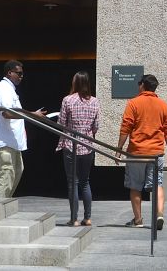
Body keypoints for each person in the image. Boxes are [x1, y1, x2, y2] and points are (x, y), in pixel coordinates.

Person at [118, 73, 167, 229]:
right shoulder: (163, 105)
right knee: (158, 185)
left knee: (135, 186)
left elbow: (126, 127)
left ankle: (138, 220)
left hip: (136, 152)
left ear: (142, 85)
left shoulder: (133, 103)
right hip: (156, 153)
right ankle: (159, 215)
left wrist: (119, 149)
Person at [0, 60, 44, 198]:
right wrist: (32, 114)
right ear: (10, 73)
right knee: (6, 174)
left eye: (22, 74)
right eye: (19, 73)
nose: (21, 76)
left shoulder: (10, 89)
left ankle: (4, 204)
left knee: (16, 171)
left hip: (13, 142)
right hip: (5, 141)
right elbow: (6, 112)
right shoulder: (4, 88)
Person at [55, 70, 100, 227]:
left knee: (72, 182)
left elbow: (61, 123)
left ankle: (73, 219)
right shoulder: (95, 101)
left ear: (75, 82)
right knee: (85, 182)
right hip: (87, 147)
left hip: (70, 145)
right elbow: (96, 126)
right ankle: (87, 218)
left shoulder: (68, 100)